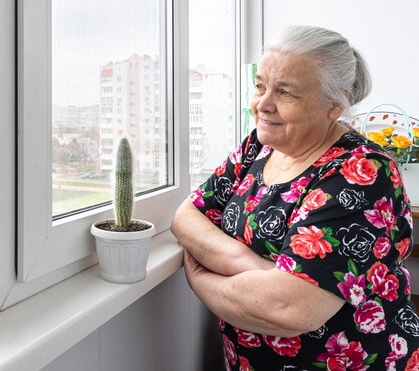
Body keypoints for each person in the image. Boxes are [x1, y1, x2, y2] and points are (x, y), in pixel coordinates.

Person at [171, 25, 419, 370]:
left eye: (285, 93)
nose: (262, 104)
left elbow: (289, 309)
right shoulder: (257, 147)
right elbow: (187, 216)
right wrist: (256, 269)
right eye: (260, 86)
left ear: (334, 105)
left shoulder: (362, 171)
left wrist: (201, 278)